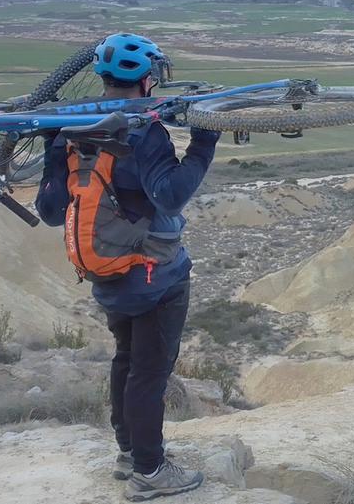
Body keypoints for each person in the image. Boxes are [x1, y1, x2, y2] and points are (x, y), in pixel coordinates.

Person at [35, 33, 220, 501]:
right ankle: (151, 472)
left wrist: (52, 155)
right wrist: (203, 143)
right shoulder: (144, 131)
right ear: (146, 78)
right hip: (156, 275)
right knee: (149, 373)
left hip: (105, 274)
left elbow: (52, 211)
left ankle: (129, 454)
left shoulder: (68, 129)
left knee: (126, 360)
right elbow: (171, 195)